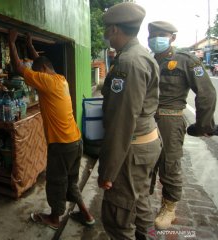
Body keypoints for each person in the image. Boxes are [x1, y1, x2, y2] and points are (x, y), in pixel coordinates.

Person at [8, 29, 95, 230]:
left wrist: (12, 43)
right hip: (75, 141)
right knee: (71, 183)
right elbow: (41, 62)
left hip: (62, 145)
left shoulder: (46, 81)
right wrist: (30, 45)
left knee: (56, 182)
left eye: (38, 74)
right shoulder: (60, 79)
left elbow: (21, 69)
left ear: (43, 72)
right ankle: (87, 215)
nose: (36, 78)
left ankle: (54, 219)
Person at [97, 3, 162, 239]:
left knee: (118, 214)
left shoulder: (129, 63)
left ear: (114, 29)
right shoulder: (141, 55)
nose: (105, 35)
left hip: (132, 148)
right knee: (140, 200)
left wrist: (108, 172)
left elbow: (122, 121)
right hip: (146, 142)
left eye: (106, 29)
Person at [147, 21, 217, 229]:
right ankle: (142, 197)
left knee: (169, 165)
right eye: (153, 35)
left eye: (162, 34)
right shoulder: (148, 61)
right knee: (144, 160)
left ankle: (169, 207)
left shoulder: (186, 61)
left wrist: (204, 126)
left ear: (172, 38)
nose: (156, 39)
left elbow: (206, 93)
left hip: (170, 119)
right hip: (146, 119)